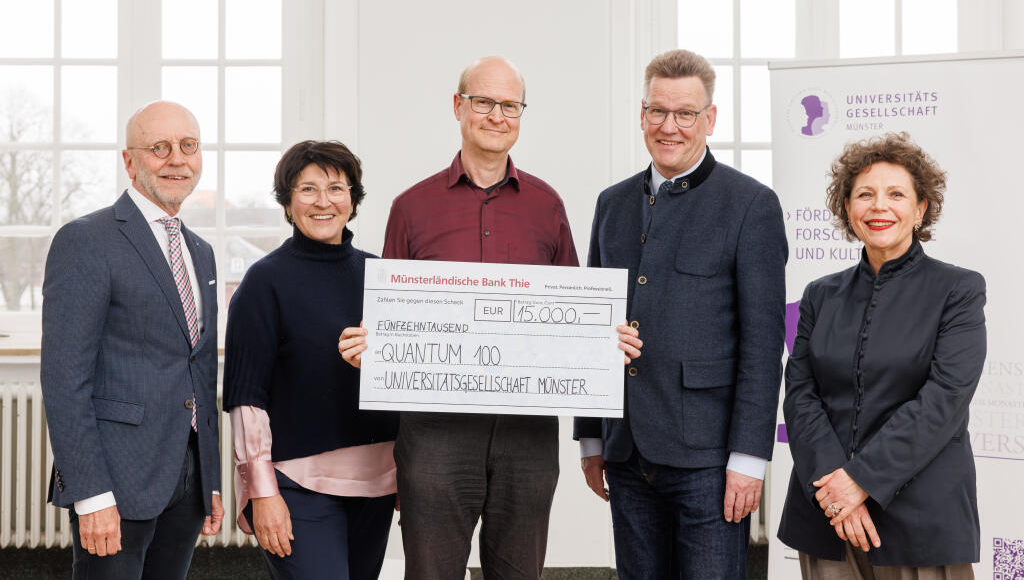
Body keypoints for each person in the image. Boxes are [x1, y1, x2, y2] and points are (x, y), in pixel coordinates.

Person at [340, 55, 608, 579]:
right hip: (433, 436)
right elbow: (389, 321)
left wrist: (603, 339)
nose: (496, 116)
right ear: (458, 107)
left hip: (528, 436)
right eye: (483, 102)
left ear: (521, 113)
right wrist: (372, 349)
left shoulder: (548, 206)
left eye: (510, 105)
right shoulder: (411, 207)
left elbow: (571, 320)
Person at [573, 49, 788, 578]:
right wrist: (591, 437)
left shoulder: (751, 205)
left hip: (710, 460)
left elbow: (763, 347)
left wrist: (749, 459)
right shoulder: (611, 204)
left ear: (709, 119)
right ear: (641, 114)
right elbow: (591, 322)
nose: (669, 127)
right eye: (657, 111)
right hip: (625, 452)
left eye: (685, 113)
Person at [778, 132, 986, 579]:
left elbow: (943, 401)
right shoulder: (819, 295)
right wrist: (837, 490)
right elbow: (800, 396)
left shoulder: (958, 290)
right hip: (827, 517)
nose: (879, 207)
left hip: (922, 521)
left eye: (896, 194)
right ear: (847, 207)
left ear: (920, 208)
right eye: (865, 194)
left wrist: (860, 481)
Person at [40, 101, 223, 579]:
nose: (177, 159)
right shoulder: (86, 240)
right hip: (115, 484)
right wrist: (90, 493)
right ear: (129, 161)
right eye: (159, 147)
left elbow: (199, 369)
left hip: (186, 482)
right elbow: (64, 380)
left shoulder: (200, 251)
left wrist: (210, 479)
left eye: (189, 146)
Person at [222, 140, 399, 580]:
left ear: (352, 200)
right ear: (287, 202)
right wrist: (261, 492)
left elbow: (408, 377)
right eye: (307, 189)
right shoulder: (264, 281)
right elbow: (246, 398)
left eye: (336, 188)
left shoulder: (384, 278)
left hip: (377, 478)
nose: (323, 202)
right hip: (296, 483)